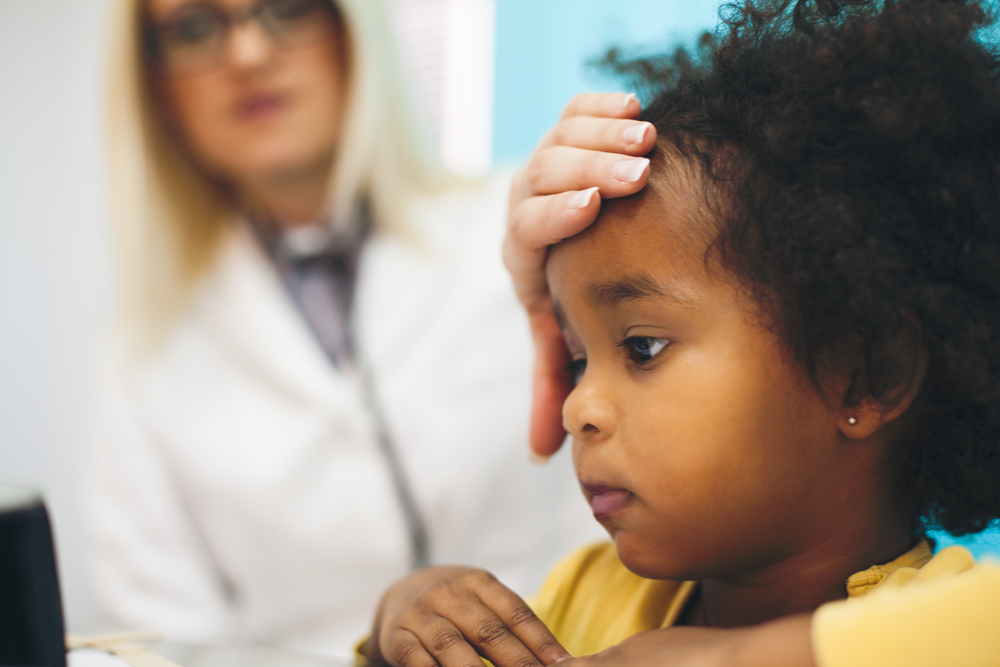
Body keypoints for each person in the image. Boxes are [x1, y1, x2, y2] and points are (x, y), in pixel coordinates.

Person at [361, 0, 1000, 665]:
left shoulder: (955, 621)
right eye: (579, 361)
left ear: (867, 372)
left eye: (641, 347)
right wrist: (403, 617)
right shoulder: (584, 592)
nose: (578, 407)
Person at [87, 0, 657, 657]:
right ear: (152, 83)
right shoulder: (141, 360)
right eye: (193, 28)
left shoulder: (532, 235)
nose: (247, 55)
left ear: (353, 28)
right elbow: (169, 647)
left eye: (287, 8)